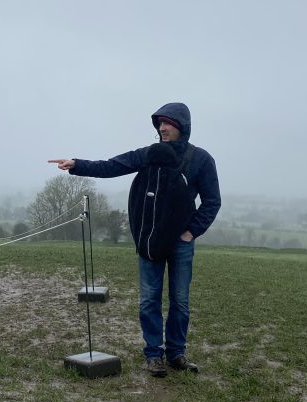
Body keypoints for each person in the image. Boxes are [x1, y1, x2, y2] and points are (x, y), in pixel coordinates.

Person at [49, 102, 221, 378]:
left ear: (182, 126)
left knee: (180, 300)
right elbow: (112, 166)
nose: (162, 128)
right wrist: (77, 165)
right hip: (149, 239)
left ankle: (176, 353)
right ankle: (154, 355)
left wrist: (190, 232)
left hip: (181, 242)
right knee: (149, 299)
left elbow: (212, 202)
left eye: (168, 123)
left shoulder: (201, 160)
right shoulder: (148, 155)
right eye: (159, 124)